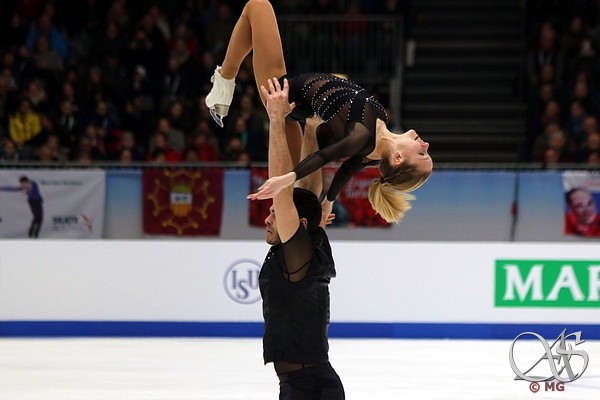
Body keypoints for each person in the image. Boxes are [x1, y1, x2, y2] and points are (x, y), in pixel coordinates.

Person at [206, 0, 432, 223]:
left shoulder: (363, 137)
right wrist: (329, 201)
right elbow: (346, 171)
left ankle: (225, 78)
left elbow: (323, 157)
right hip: (296, 111)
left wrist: (286, 178)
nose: (426, 145)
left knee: (258, 6)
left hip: (282, 92)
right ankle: (225, 78)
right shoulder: (374, 149)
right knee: (304, 195)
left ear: (398, 158)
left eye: (422, 154)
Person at [259, 77, 344, 399]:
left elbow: (284, 191)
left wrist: (276, 120)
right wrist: (310, 128)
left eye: (275, 214)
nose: (268, 219)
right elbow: (307, 191)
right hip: (308, 384)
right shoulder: (312, 240)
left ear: (300, 223)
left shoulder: (300, 254)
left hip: (307, 389)